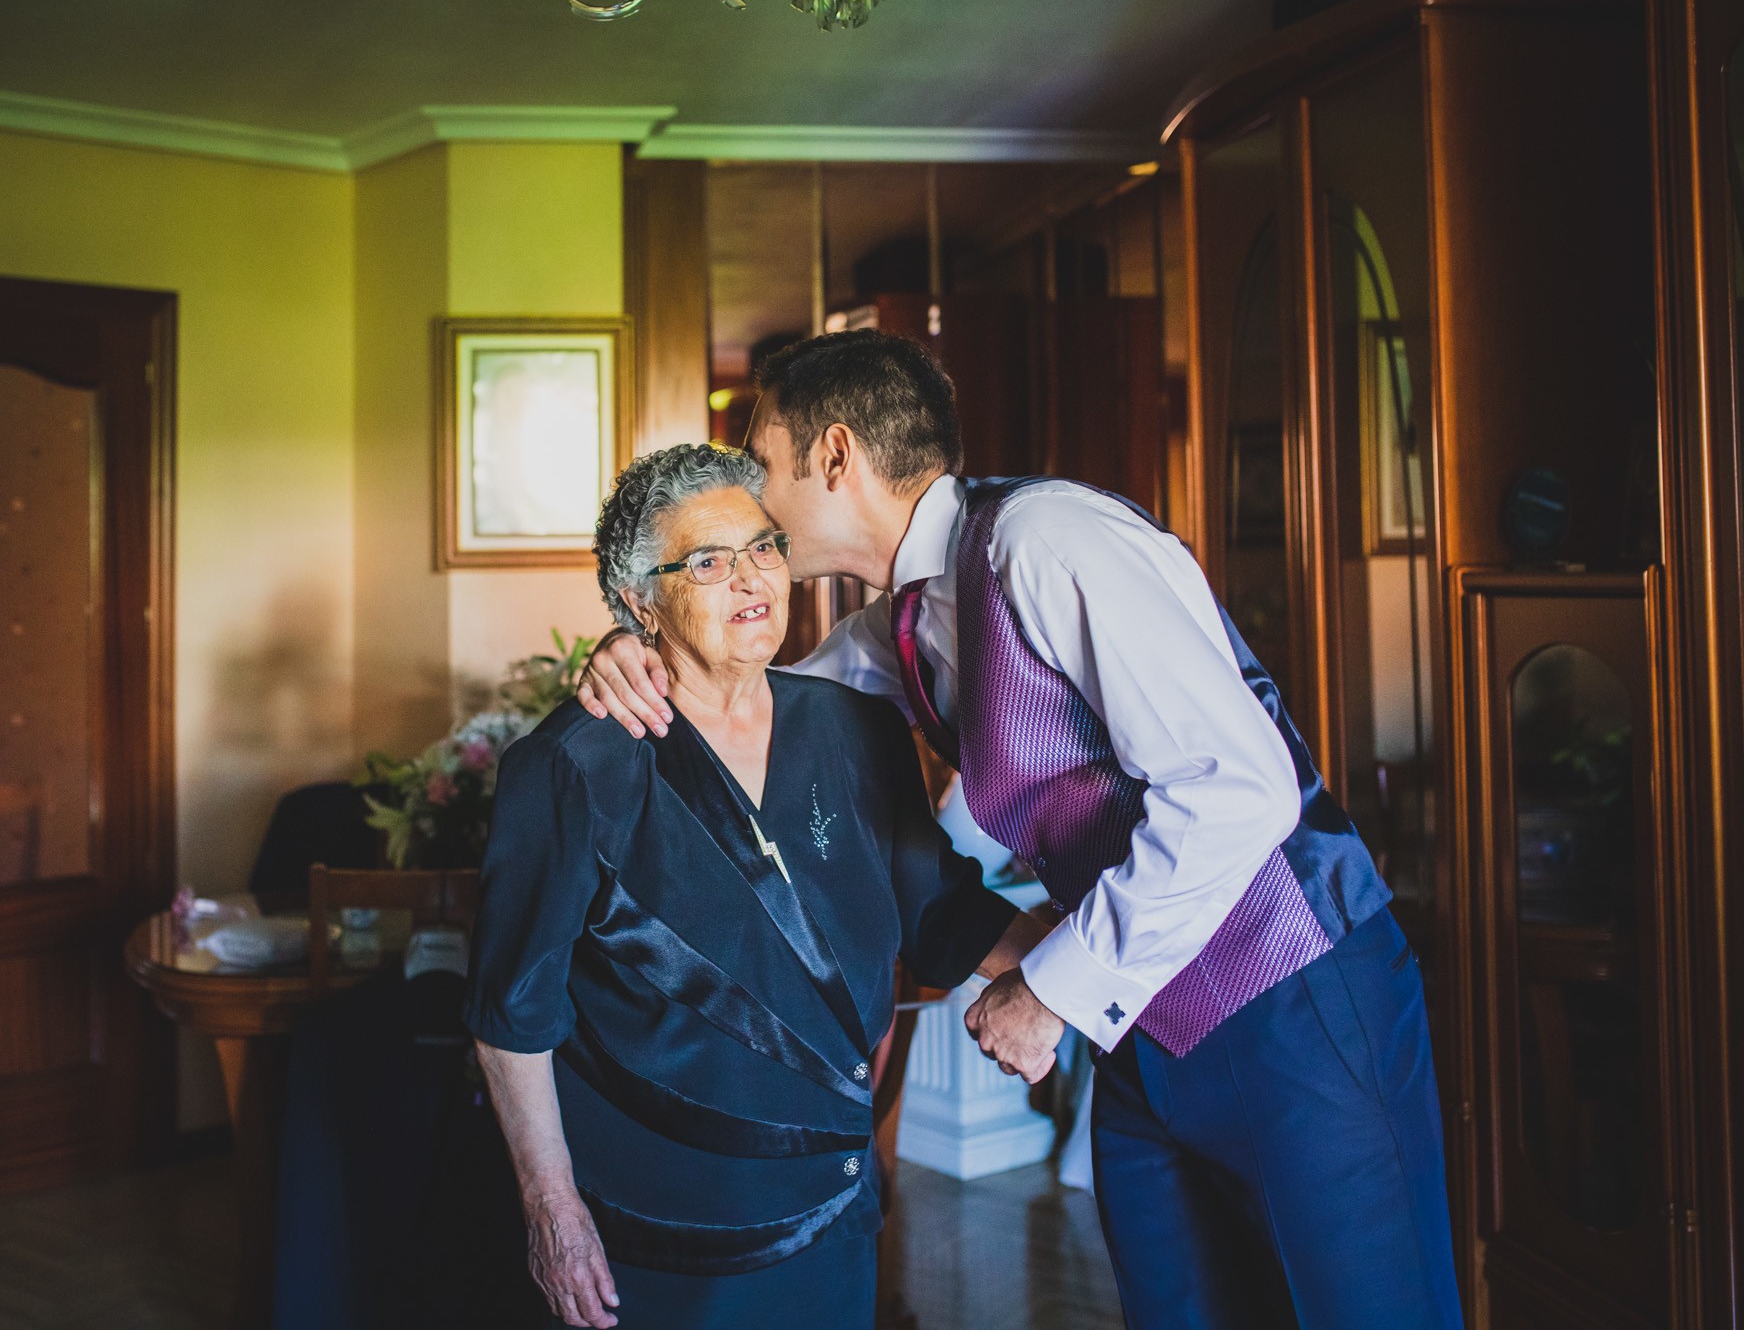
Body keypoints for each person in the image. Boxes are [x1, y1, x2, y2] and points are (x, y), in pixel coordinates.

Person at [577, 329, 1464, 1329]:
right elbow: (751, 712)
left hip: (1295, 997)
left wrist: (1049, 990)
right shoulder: (903, 621)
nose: (749, 496)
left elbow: (1238, 787)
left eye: (759, 461)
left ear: (833, 456)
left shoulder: (1047, 539)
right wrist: (637, 649)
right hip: (1142, 1035)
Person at [465, 443, 1048, 1329]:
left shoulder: (857, 727)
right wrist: (553, 1211)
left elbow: (941, 911)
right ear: (640, 603)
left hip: (835, 1206)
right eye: (708, 561)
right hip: (663, 1237)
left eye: (765, 547)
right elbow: (512, 1015)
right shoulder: (573, 765)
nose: (752, 578)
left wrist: (1079, 972)